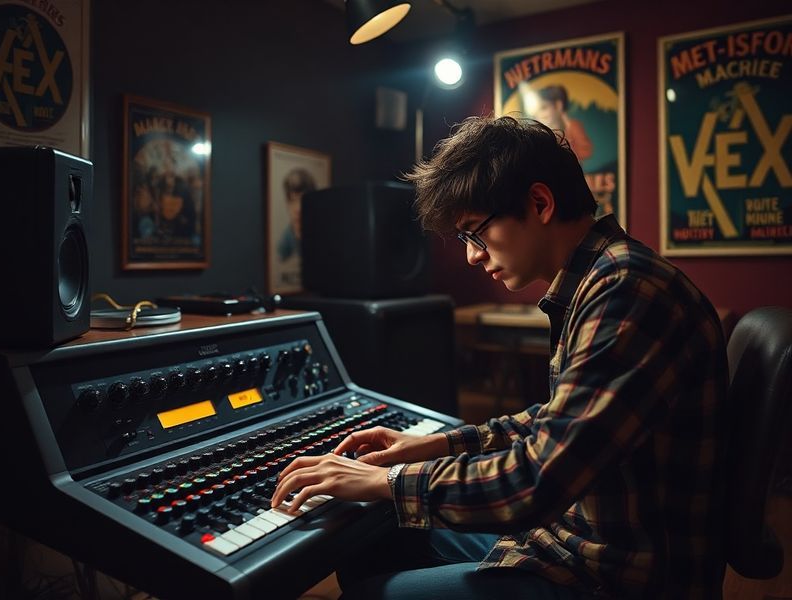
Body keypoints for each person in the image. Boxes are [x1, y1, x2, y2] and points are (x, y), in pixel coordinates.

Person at [271, 116, 729, 599]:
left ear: (539, 203)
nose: (472, 256)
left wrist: (389, 479)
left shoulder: (625, 289)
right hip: (574, 541)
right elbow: (554, 425)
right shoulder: (603, 277)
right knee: (379, 540)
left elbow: (536, 481)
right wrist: (432, 446)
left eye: (475, 233)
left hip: (615, 576)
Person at [531, 85, 594, 162]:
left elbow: (585, 151)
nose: (539, 114)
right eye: (536, 110)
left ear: (558, 106)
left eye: (544, 108)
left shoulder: (572, 127)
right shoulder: (538, 135)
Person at [277, 167, 316, 261]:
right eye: (293, 201)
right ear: (287, 203)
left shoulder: (322, 235)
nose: (298, 209)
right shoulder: (286, 239)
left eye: (303, 200)